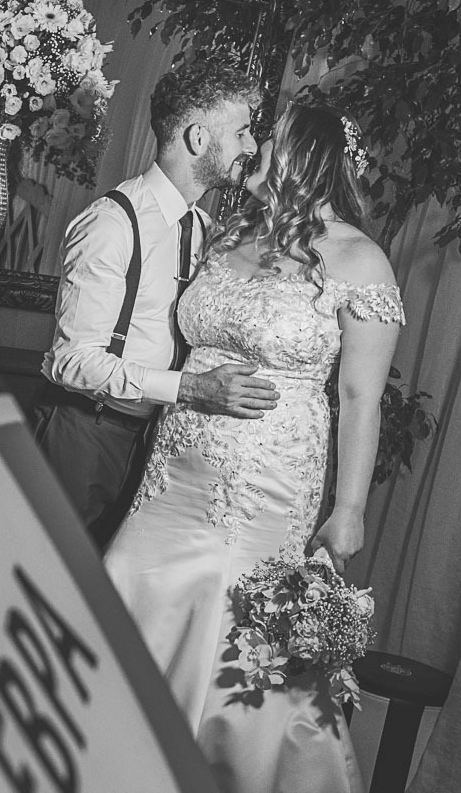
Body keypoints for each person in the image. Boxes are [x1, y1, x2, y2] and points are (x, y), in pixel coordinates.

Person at [104, 103, 404, 793]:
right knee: (133, 586)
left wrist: (349, 509)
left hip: (267, 485)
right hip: (174, 473)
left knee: (237, 638)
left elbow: (361, 397)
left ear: (300, 157)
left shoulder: (359, 260)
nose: (249, 154)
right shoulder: (231, 232)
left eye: (263, 144)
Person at [36, 61, 281, 552]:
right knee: (48, 573)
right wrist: (190, 388)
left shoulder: (203, 229)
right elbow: (73, 361)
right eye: (241, 132)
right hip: (86, 432)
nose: (252, 146)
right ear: (197, 138)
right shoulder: (111, 225)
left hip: (155, 441)